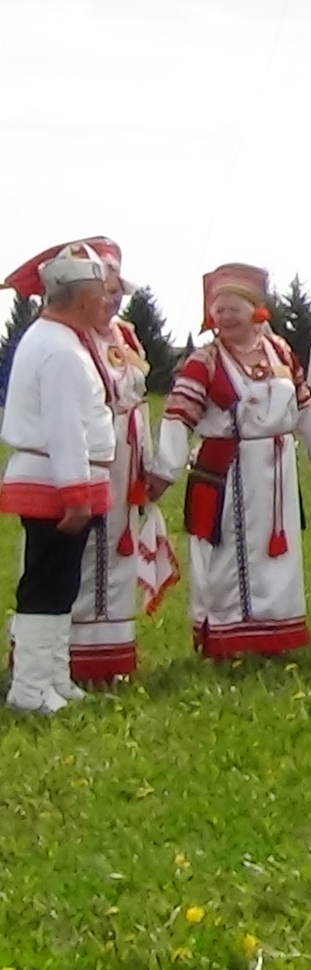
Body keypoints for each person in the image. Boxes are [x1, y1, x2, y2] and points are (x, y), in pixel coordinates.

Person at [149, 262, 311, 660]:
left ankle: (274, 633)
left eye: (234, 307)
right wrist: (165, 469)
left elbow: (303, 405)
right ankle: (227, 639)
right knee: (225, 555)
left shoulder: (280, 351)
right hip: (226, 470)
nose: (225, 316)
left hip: (275, 473)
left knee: (276, 552)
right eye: (219, 308)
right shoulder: (205, 361)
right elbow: (179, 417)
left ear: (256, 310)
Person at [2, 243, 116, 714]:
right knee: (48, 584)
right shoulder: (61, 350)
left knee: (61, 582)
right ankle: (30, 688)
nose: (107, 304)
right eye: (101, 295)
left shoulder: (53, 339)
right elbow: (65, 426)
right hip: (55, 479)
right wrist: (75, 494)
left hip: (55, 475)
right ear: (82, 297)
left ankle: (52, 675)